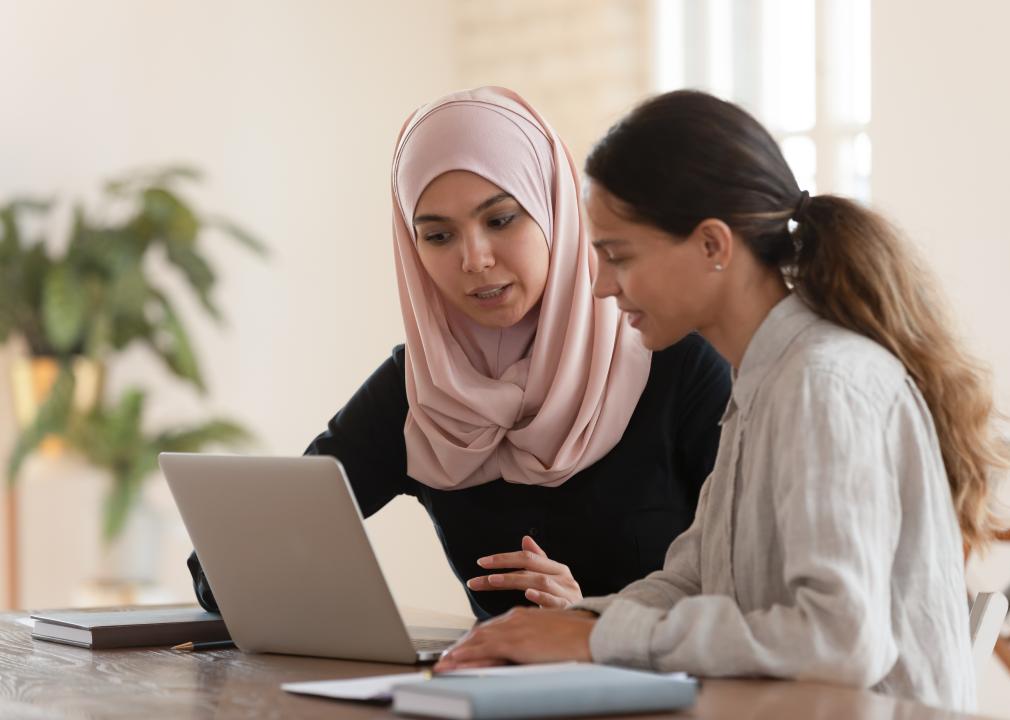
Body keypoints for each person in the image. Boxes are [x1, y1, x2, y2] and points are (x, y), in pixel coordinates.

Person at [434, 90, 1010, 712]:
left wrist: (599, 637)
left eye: (619, 255)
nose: (600, 285)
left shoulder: (821, 382)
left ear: (713, 245)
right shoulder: (764, 379)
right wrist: (560, 627)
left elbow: (841, 638)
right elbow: (692, 579)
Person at [187, 87, 731, 621]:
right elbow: (223, 569)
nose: (474, 259)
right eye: (439, 236)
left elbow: (749, 593)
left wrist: (596, 618)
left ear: (554, 211)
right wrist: (278, 574)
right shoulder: (423, 387)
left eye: (500, 220)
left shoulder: (676, 363)